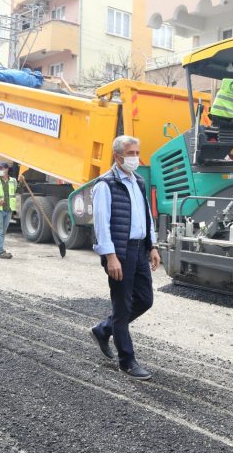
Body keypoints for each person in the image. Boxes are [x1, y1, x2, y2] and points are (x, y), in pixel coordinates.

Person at [90, 135, 161, 381]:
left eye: (137, 152)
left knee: (145, 299)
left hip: (140, 249)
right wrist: (110, 257)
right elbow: (101, 224)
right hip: (120, 252)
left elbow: (147, 216)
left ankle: (104, 329)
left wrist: (152, 246)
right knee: (122, 307)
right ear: (117, 156)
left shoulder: (138, 181)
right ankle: (127, 361)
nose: (135, 157)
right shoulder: (105, 185)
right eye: (131, 153)